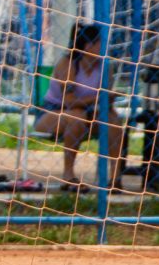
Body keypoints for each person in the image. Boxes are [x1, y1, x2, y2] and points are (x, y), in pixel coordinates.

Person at [34, 22, 124, 192]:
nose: (104, 48)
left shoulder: (104, 66)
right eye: (100, 44)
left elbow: (104, 101)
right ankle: (68, 176)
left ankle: (115, 178)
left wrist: (108, 99)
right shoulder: (68, 64)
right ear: (89, 46)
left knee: (113, 120)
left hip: (89, 112)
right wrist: (99, 97)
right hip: (54, 112)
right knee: (76, 116)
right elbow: (69, 101)